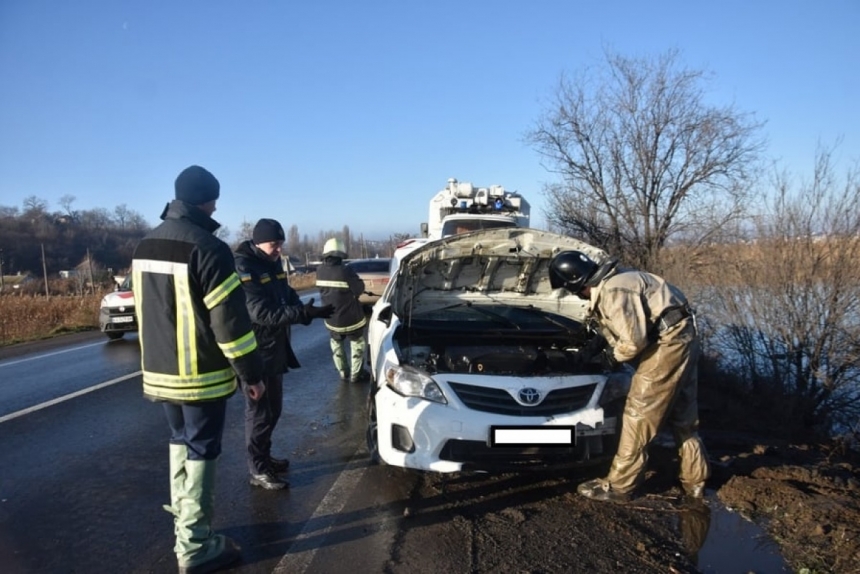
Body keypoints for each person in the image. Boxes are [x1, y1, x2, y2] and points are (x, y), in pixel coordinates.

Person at [132, 165, 265, 573]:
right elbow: (230, 325)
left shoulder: (144, 245)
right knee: (203, 450)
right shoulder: (208, 247)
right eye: (214, 199)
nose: (216, 205)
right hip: (200, 375)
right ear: (206, 201)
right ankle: (195, 546)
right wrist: (250, 373)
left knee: (179, 443)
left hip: (158, 373)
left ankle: (184, 528)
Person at [548, 250, 710, 503]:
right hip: (684, 339)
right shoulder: (622, 278)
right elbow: (620, 324)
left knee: (638, 416)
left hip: (666, 346)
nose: (577, 297)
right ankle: (695, 481)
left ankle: (619, 486)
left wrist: (608, 360)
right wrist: (591, 349)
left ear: (578, 283)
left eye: (573, 291)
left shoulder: (613, 291)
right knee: (684, 417)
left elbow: (633, 342)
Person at [233, 218, 333, 490]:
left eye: (280, 244)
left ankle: (264, 457)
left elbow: (286, 293)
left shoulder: (272, 263)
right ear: (257, 242)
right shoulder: (244, 266)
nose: (278, 250)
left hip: (274, 346)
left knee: (274, 409)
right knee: (260, 413)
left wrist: (308, 308)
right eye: (273, 245)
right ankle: (258, 469)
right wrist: (302, 314)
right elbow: (260, 312)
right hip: (254, 350)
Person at [315, 237, 370, 383]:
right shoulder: (345, 270)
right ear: (341, 254)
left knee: (336, 344)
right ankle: (356, 374)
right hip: (352, 319)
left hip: (331, 319)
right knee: (357, 344)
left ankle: (343, 372)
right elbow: (359, 289)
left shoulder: (319, 270)